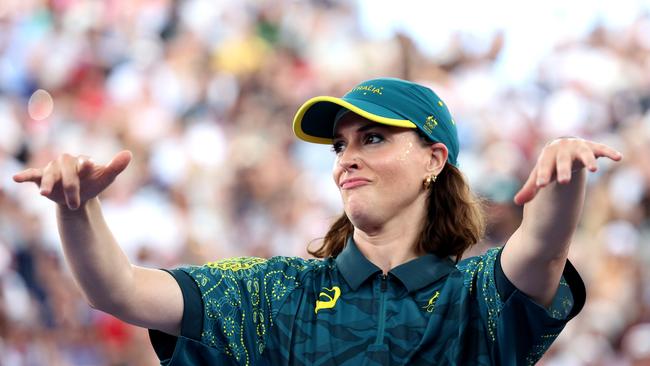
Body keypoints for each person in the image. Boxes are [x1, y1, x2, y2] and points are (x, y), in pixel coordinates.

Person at [13, 77, 622, 365]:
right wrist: (77, 210)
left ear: (436, 160)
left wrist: (565, 176)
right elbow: (118, 289)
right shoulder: (275, 292)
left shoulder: (474, 295)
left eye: (374, 138)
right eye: (340, 146)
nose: (348, 158)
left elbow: (540, 250)